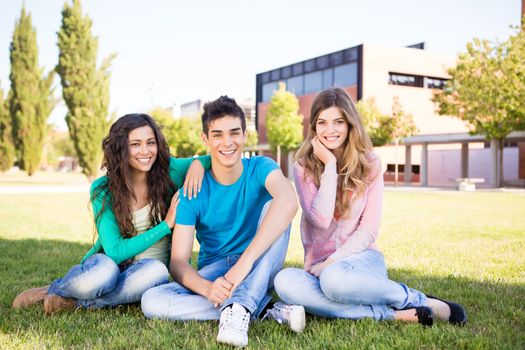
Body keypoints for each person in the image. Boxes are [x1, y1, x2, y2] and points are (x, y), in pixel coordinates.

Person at [274, 87, 467, 327]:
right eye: (322, 122)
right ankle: (394, 314)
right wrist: (330, 166)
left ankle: (417, 299)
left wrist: (332, 262)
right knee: (284, 281)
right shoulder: (303, 167)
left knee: (334, 281)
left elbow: (368, 230)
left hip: (361, 262)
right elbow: (321, 219)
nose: (330, 130)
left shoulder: (371, 164)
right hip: (317, 268)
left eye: (338, 122)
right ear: (314, 127)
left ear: (350, 124)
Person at [141, 96, 304, 347]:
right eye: (217, 135)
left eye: (234, 133)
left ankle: (239, 306)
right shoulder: (191, 192)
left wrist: (244, 264)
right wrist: (207, 289)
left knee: (278, 204)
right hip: (216, 271)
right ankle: (261, 308)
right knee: (152, 301)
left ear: (245, 135)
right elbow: (178, 262)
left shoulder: (261, 167)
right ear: (205, 139)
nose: (227, 143)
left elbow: (290, 201)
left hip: (258, 264)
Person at [12, 113, 210, 314]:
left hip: (146, 271)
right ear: (121, 148)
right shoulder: (103, 189)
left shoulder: (171, 171)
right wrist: (165, 226)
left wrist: (196, 164)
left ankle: (75, 303)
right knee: (103, 273)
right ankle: (53, 289)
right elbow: (115, 251)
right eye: (135, 144)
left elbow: (216, 157)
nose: (145, 151)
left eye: (151, 142)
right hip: (109, 264)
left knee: (157, 271)